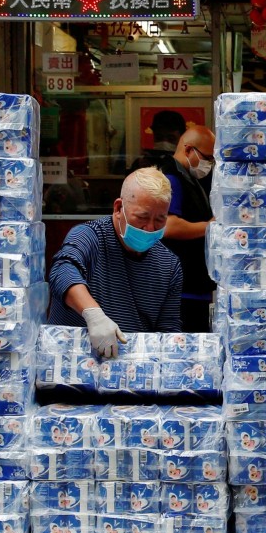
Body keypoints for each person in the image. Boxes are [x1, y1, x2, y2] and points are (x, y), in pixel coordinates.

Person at [48, 167, 183, 358]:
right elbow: (62, 271)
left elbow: (168, 330)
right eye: (142, 217)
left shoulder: (169, 264)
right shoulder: (89, 237)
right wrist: (94, 315)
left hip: (131, 372)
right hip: (72, 366)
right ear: (119, 208)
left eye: (160, 219)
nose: (150, 228)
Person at [158, 125, 217, 333]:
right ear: (188, 149)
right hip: (182, 289)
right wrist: (211, 227)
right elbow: (169, 225)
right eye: (207, 157)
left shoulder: (191, 178)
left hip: (196, 285)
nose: (209, 164)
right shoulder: (171, 178)